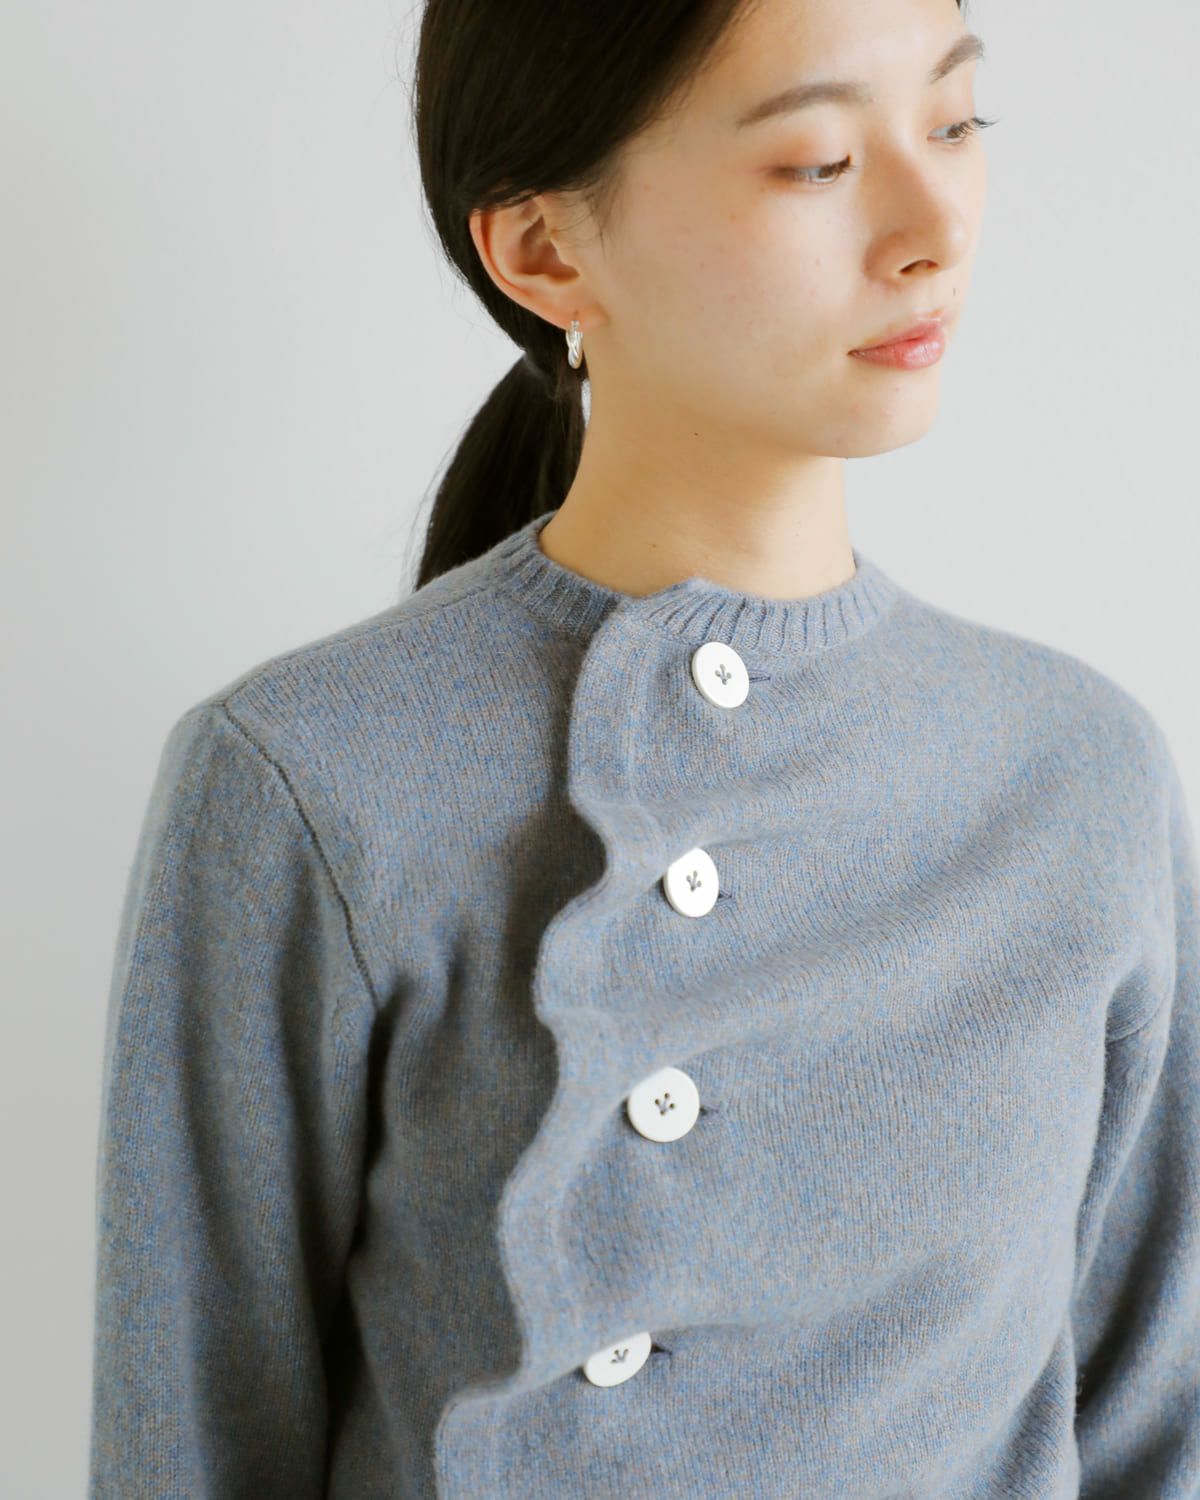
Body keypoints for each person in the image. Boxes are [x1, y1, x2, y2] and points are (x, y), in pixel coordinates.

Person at [88, 0, 1200, 1495]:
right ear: (547, 251)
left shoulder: (1078, 777)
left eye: (953, 123)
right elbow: (187, 1443)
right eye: (818, 161)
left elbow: (1154, 1430)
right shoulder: (304, 776)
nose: (936, 229)